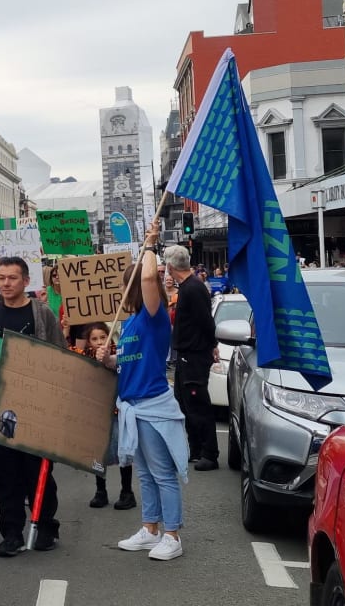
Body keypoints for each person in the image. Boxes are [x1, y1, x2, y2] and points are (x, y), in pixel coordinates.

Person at [96, 219, 189, 561]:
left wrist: (150, 244)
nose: (121, 292)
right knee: (146, 473)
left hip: (152, 405)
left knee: (163, 474)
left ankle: (173, 535)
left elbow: (150, 277)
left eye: (125, 286)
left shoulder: (154, 315)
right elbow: (127, 362)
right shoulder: (132, 321)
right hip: (133, 405)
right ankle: (150, 529)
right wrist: (109, 360)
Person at [0, 257, 67, 556]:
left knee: (37, 471)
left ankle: (45, 526)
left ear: (25, 281)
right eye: (2, 278)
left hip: (35, 409)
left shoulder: (41, 314)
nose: (6, 283)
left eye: (12, 278)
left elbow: (60, 358)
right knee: (5, 476)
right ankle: (12, 532)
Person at [68, 322, 135, 511]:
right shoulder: (86, 357)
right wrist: (66, 331)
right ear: (88, 342)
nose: (99, 342)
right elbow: (70, 355)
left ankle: (127, 492)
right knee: (98, 451)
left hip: (116, 410)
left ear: (109, 336)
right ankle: (100, 491)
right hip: (96, 412)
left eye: (102, 337)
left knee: (123, 451)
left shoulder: (119, 353)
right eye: (94, 339)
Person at [164, 244, 219, 471]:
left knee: (198, 405)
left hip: (195, 355)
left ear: (170, 266)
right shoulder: (187, 287)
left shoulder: (193, 288)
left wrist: (212, 345)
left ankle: (209, 453)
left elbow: (205, 321)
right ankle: (195, 448)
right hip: (186, 354)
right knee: (185, 403)